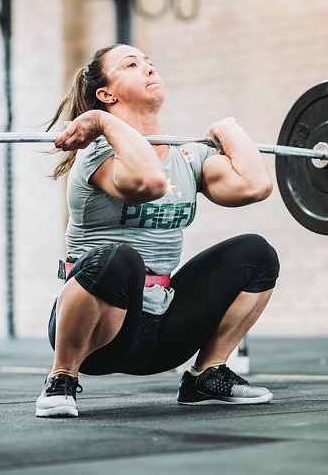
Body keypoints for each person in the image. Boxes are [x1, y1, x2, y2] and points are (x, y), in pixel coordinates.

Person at [36, 43, 280, 418]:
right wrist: (104, 124)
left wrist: (230, 130)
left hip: (163, 332)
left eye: (151, 63)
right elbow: (149, 182)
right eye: (132, 64)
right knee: (120, 258)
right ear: (106, 94)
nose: (149, 69)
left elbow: (255, 186)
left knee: (257, 254)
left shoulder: (187, 155)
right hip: (99, 338)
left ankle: (206, 374)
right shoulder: (96, 152)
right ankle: (61, 378)